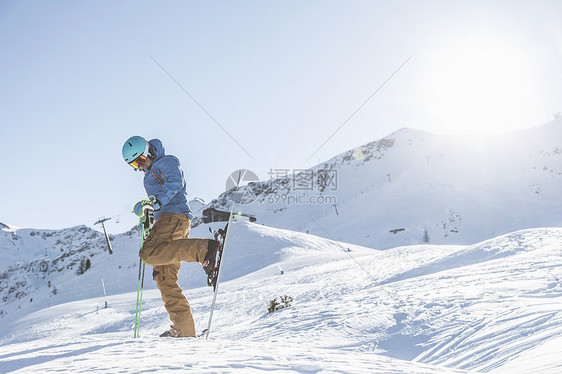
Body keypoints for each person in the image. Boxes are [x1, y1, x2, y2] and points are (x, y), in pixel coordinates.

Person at [122, 136, 219, 338]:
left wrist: (156, 202)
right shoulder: (147, 175)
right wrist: (149, 215)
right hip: (166, 220)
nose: (139, 166)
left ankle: (205, 250)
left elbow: (175, 183)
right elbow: (157, 200)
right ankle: (184, 332)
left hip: (174, 217)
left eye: (140, 160)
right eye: (134, 164)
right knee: (165, 279)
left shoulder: (166, 162)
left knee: (148, 253)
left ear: (148, 151)